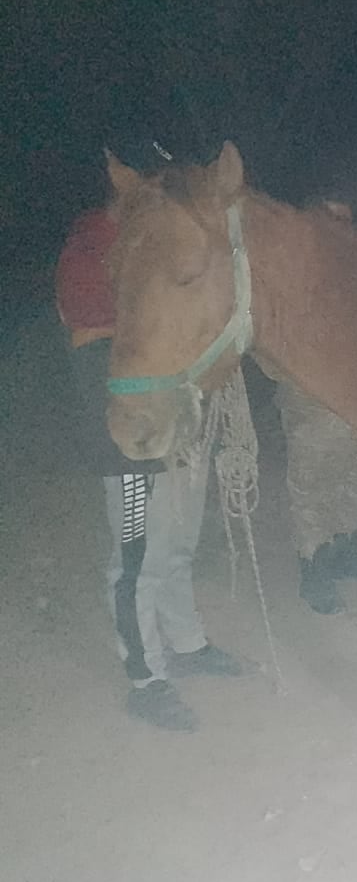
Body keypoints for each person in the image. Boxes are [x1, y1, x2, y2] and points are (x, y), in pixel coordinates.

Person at [56, 207, 244, 732]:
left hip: (176, 429)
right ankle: (145, 679)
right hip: (129, 442)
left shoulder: (156, 248)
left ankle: (186, 644)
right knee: (137, 558)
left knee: (178, 543)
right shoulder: (87, 254)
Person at [275, 202, 357, 615]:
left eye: (346, 219)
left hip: (355, 401)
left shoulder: (356, 275)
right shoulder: (289, 276)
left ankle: (347, 552)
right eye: (332, 219)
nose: (340, 228)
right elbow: (268, 342)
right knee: (312, 489)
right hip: (311, 403)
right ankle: (314, 571)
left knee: (353, 481)